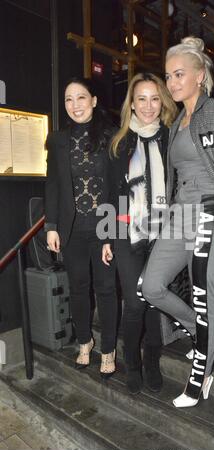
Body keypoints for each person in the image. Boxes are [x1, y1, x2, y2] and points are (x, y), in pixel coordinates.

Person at [142, 37, 214, 408]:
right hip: (182, 213)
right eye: (168, 75)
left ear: (200, 75)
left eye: (179, 74)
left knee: (202, 290)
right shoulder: (178, 121)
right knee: (151, 285)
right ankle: (201, 330)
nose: (173, 82)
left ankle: (201, 373)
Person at [102, 73, 178, 394]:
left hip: (162, 234)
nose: (148, 106)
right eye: (141, 99)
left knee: (154, 301)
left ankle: (151, 361)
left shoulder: (171, 138)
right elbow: (109, 192)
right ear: (131, 103)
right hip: (125, 233)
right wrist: (106, 235)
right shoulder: (119, 141)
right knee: (134, 303)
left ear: (163, 101)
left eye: (154, 98)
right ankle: (132, 362)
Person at [45, 77, 118, 376]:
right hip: (71, 229)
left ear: (94, 101)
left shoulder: (112, 136)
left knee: (107, 289)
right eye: (68, 99)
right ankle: (85, 341)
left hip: (103, 228)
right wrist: (51, 225)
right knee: (78, 288)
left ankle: (109, 348)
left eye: (81, 98)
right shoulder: (59, 140)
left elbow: (117, 189)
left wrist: (112, 234)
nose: (74, 105)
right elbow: (52, 185)